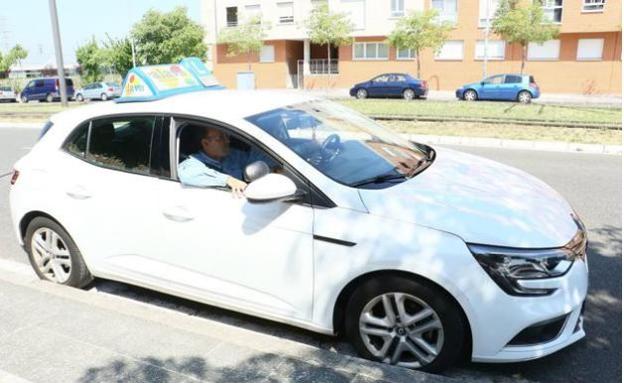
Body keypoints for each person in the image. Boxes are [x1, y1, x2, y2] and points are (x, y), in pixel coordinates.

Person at [178, 127, 266, 197]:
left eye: (227, 136)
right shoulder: (192, 163)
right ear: (205, 143)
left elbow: (254, 158)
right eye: (221, 138)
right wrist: (228, 180)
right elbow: (186, 174)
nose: (228, 141)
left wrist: (272, 166)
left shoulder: (233, 155)